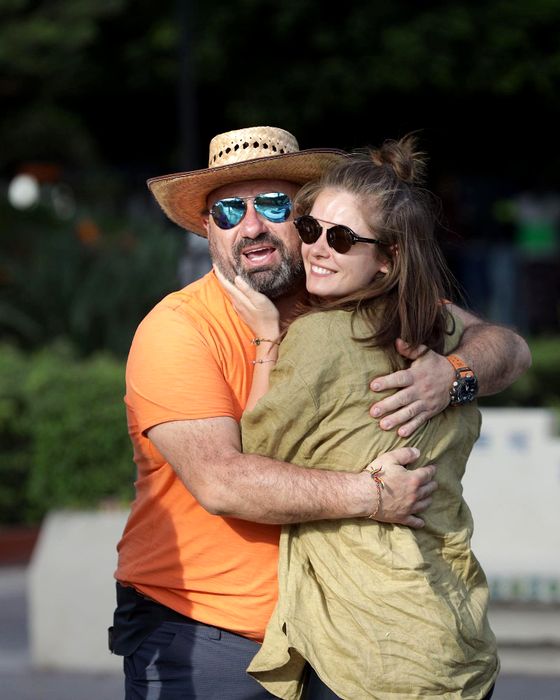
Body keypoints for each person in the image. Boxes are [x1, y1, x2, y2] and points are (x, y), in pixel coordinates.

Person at [110, 126, 530, 699]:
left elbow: (509, 348)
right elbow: (222, 482)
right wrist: (371, 495)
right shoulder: (180, 329)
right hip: (209, 631)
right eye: (229, 210)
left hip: (340, 635)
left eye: (274, 206)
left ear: (303, 216)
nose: (251, 226)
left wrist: (452, 375)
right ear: (207, 227)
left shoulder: (349, 293)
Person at [216, 135, 500, 699]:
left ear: (386, 258)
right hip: (457, 637)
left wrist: (268, 339)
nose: (318, 249)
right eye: (310, 230)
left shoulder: (319, 338)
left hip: (369, 647)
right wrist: (456, 374)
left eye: (342, 239)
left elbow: (252, 464)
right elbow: (511, 348)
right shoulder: (444, 332)